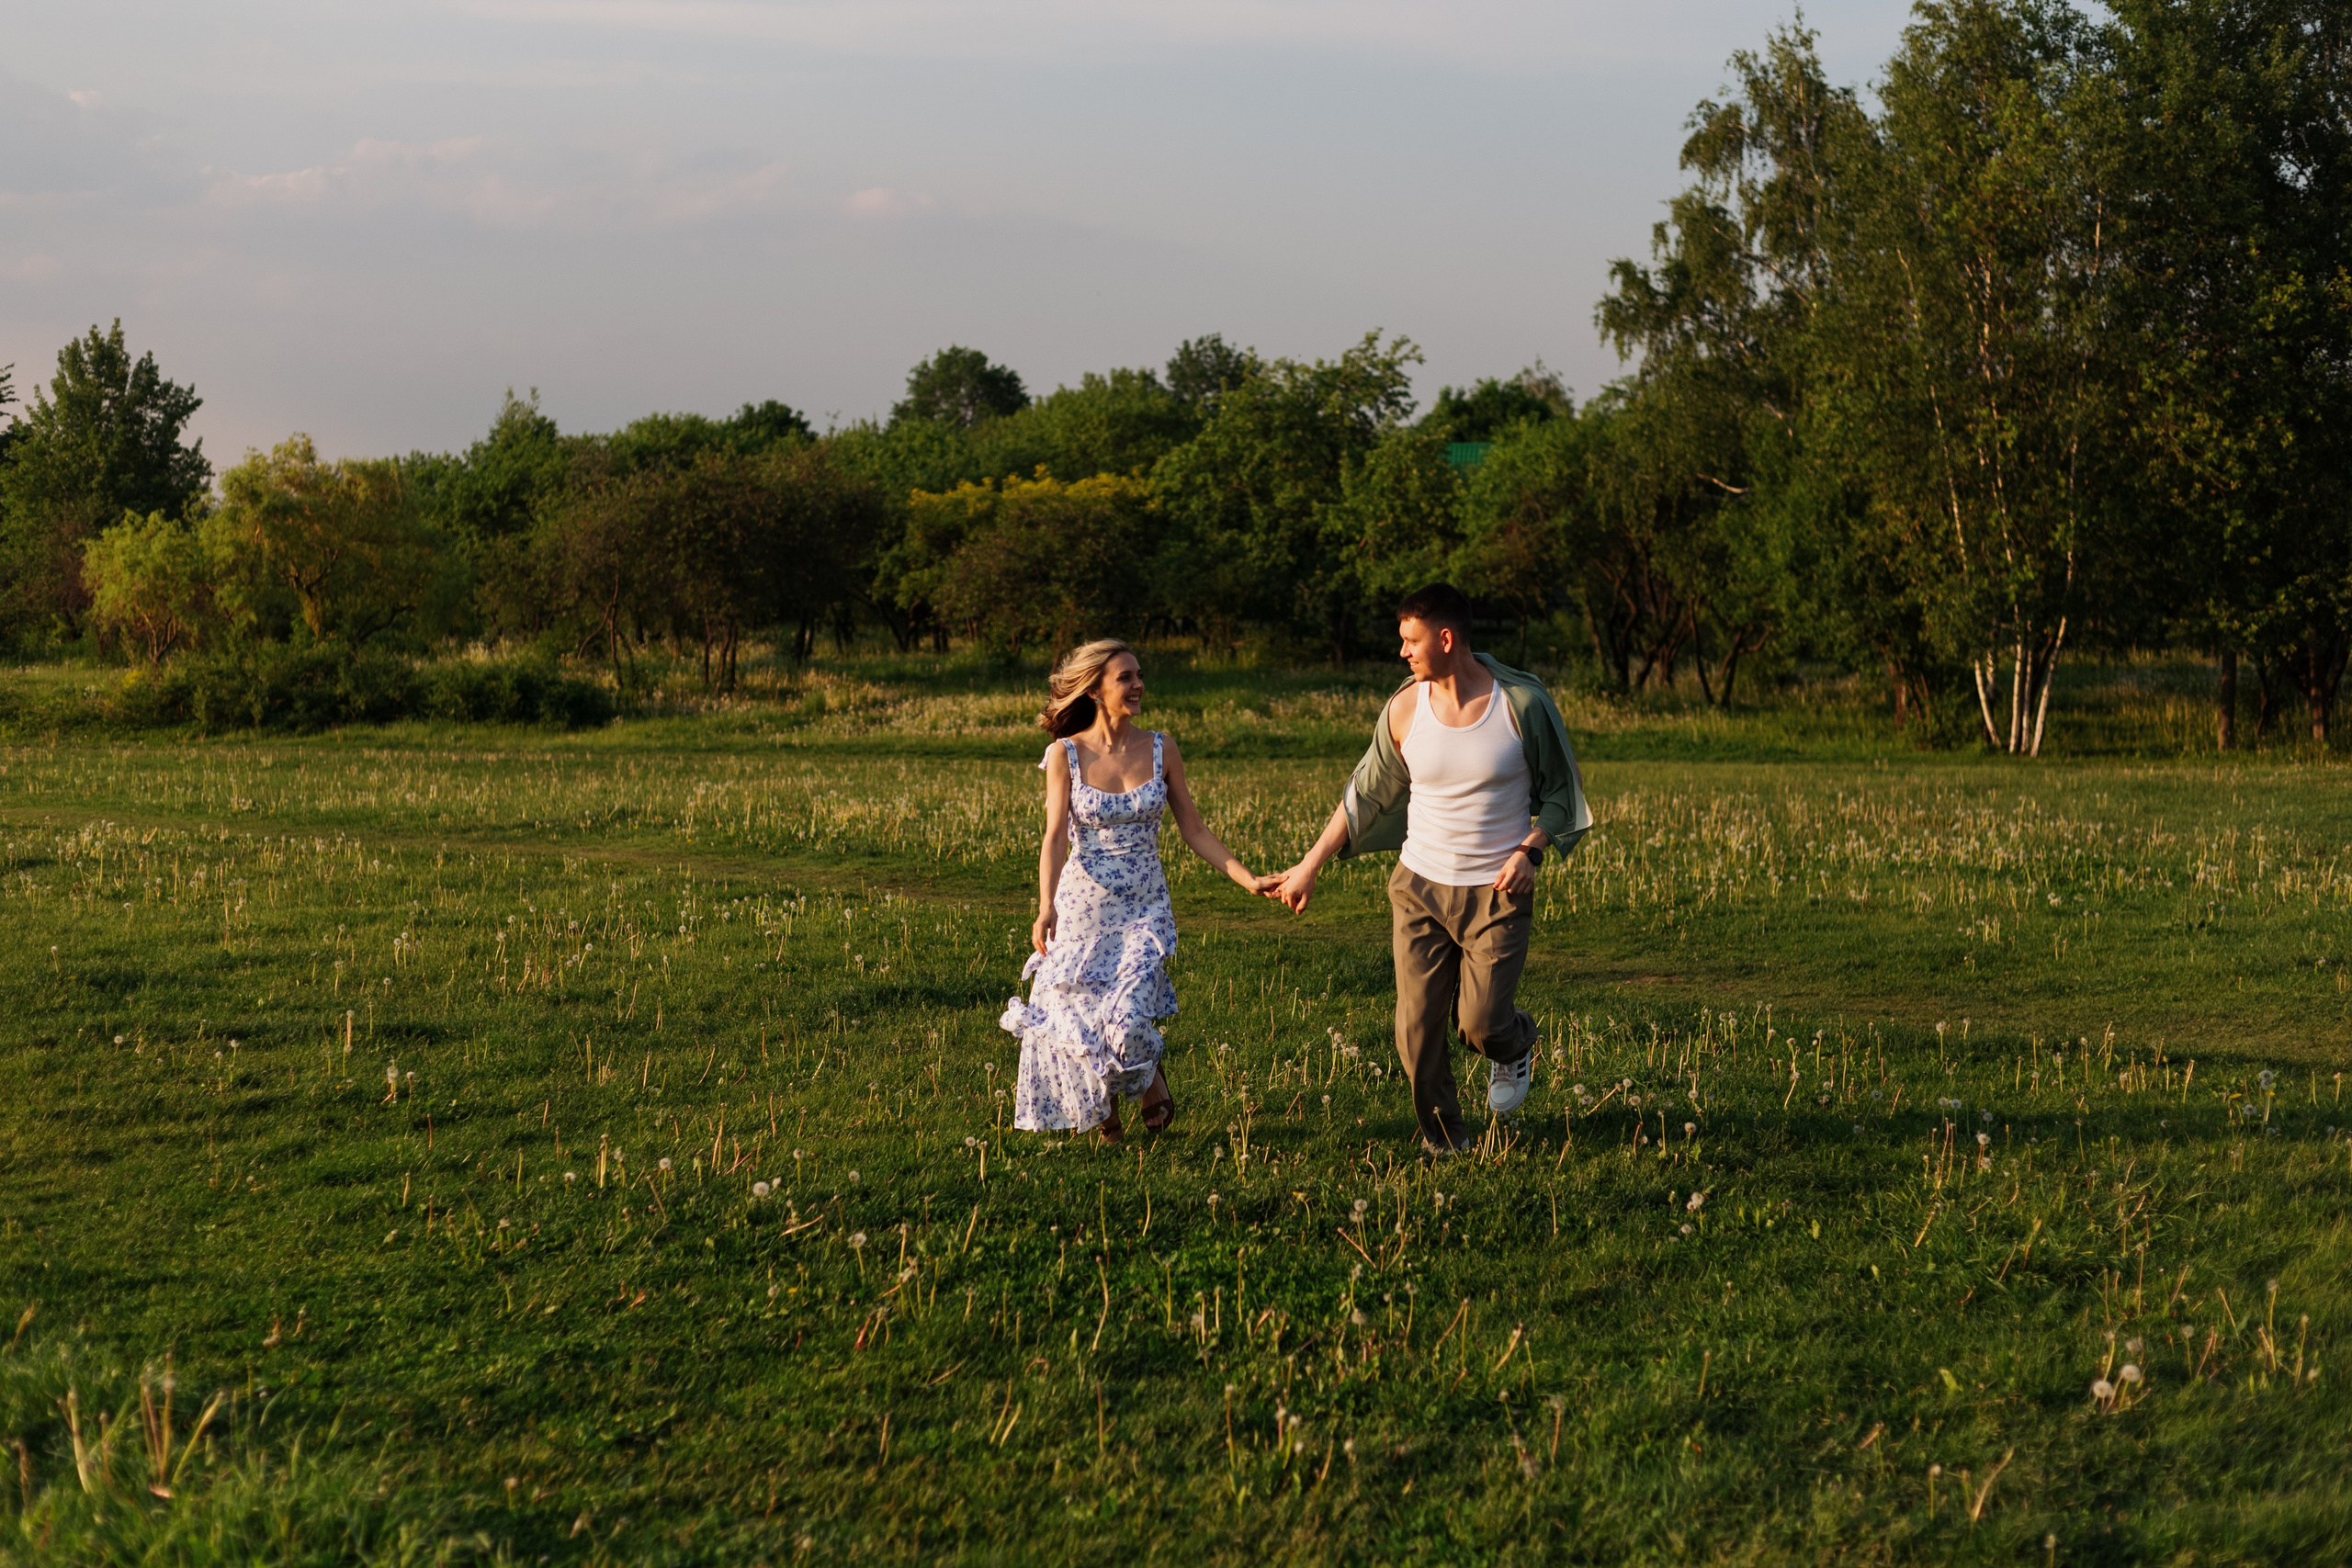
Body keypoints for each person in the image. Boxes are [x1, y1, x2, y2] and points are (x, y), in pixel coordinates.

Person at [1269, 584, 1590, 1155]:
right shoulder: (1403, 709)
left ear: (1446, 639)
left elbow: (1564, 797)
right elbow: (1363, 796)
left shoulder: (1521, 704)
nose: (1403, 653)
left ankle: (1513, 1045)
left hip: (1496, 890)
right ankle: (1446, 1140)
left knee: (1482, 1023)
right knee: (1416, 1034)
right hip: (1418, 887)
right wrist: (1310, 865)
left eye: (1410, 641)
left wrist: (1531, 849)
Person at [1001, 638, 1268, 1141]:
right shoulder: (1066, 755)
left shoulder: (1162, 747)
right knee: (1081, 1017)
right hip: (1081, 910)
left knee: (1127, 1018)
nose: (1139, 684)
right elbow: (1054, 836)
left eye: (1139, 674)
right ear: (1097, 690)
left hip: (1144, 910)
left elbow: (1194, 829)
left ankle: (1148, 1073)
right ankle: (1107, 1113)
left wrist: (1246, 877)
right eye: (1126, 677)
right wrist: (1044, 908)